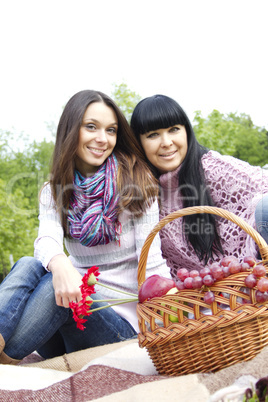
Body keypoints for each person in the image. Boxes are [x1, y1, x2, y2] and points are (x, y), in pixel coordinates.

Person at [0, 90, 170, 364]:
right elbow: (46, 239)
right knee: (29, 264)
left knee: (61, 288)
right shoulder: (53, 191)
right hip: (62, 327)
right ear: (71, 130)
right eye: (91, 127)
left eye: (111, 130)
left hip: (119, 328)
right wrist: (61, 264)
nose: (102, 139)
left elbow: (152, 266)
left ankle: (6, 359)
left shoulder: (137, 186)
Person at [130, 94, 268, 279]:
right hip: (203, 291)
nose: (166, 142)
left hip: (255, 264)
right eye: (153, 135)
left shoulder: (211, 167)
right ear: (139, 143)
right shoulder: (143, 190)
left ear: (186, 131)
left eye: (174, 130)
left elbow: (263, 183)